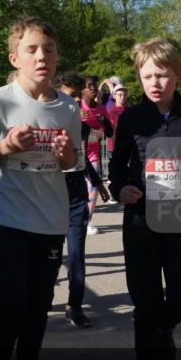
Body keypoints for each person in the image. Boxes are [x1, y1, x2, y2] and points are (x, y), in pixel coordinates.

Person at [0, 18, 79, 360]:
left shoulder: (68, 108)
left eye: (48, 49)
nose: (41, 56)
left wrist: (65, 155)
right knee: (12, 301)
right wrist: (4, 146)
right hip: (8, 217)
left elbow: (72, 162)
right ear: (15, 58)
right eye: (31, 50)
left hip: (50, 219)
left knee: (39, 304)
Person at [109, 39, 181, 360]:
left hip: (179, 219)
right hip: (140, 219)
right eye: (147, 75)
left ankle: (162, 331)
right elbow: (117, 167)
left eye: (162, 75)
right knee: (145, 299)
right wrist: (120, 188)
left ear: (178, 76)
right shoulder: (131, 119)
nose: (155, 83)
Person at [56, 72, 111, 328]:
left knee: (77, 254)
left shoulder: (85, 127)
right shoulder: (46, 125)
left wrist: (98, 183)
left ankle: (74, 305)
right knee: (51, 256)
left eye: (78, 97)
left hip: (77, 196)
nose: (76, 102)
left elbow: (82, 160)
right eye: (70, 97)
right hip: (49, 198)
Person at [80, 75, 113, 235]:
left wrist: (104, 123)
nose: (93, 88)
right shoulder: (77, 106)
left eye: (94, 85)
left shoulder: (101, 108)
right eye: (89, 85)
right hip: (76, 155)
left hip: (93, 154)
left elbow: (110, 132)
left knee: (93, 186)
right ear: (82, 90)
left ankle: (88, 221)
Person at [105, 77, 128, 157]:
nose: (122, 97)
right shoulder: (111, 111)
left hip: (127, 146)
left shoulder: (129, 110)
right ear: (114, 96)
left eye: (124, 95)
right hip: (113, 147)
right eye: (120, 95)